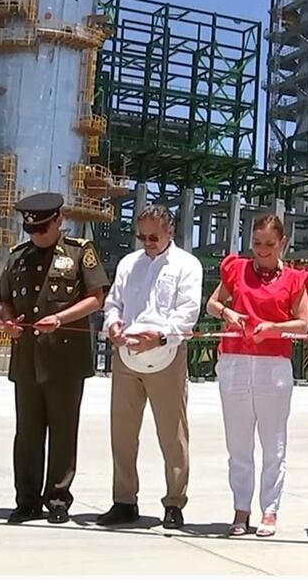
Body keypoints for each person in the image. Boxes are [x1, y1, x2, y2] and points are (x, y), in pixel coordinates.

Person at [0, 193, 109, 524]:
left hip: (64, 359)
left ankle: (58, 499)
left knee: (62, 432)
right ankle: (26, 500)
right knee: (27, 435)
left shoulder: (79, 252)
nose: (37, 235)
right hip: (27, 358)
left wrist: (61, 318)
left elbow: (95, 299)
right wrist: (7, 321)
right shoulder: (18, 256)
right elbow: (5, 299)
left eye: (43, 228)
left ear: (58, 220)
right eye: (32, 229)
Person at [205, 214, 308, 538]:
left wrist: (275, 328)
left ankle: (270, 509)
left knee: (273, 444)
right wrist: (228, 312)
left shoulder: (294, 278)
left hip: (273, 365)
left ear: (282, 244)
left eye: (269, 244)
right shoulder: (235, 269)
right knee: (238, 444)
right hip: (235, 361)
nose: (262, 250)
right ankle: (241, 508)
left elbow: (303, 323)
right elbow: (211, 304)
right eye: (257, 243)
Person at [97, 205, 203, 529]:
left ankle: (174, 503)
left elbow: (187, 314)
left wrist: (157, 338)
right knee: (123, 433)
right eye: (142, 237)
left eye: (154, 237)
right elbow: (113, 301)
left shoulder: (187, 265)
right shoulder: (130, 263)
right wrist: (113, 324)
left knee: (172, 434)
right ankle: (124, 500)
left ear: (170, 231)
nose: (148, 242)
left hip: (165, 355)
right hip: (127, 356)